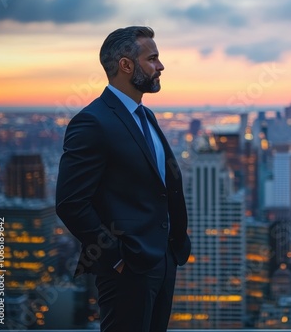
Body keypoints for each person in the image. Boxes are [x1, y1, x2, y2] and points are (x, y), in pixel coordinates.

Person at [56, 26, 191, 332]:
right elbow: (70, 203)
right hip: (127, 269)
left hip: (163, 261)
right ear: (126, 65)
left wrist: (173, 249)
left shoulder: (146, 116)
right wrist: (117, 258)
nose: (160, 66)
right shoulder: (92, 121)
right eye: (152, 58)